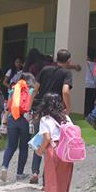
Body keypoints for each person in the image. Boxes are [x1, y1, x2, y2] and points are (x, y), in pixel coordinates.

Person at [28, 49, 76, 184]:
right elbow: (65, 91)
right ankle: (46, 180)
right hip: (55, 112)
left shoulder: (45, 70)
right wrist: (68, 107)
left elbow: (35, 89)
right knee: (51, 143)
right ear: (68, 61)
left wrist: (30, 107)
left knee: (38, 141)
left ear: (56, 58)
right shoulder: (66, 73)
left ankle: (34, 172)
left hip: (40, 109)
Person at [35, 93, 74, 192]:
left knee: (52, 185)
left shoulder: (45, 119)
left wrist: (39, 151)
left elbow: (46, 138)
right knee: (61, 182)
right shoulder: (66, 118)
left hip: (54, 150)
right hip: (67, 152)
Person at [1, 65, 36, 182]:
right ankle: (19, 174)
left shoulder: (13, 89)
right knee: (23, 147)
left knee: (11, 145)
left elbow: (8, 107)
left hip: (12, 118)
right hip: (25, 120)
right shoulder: (31, 90)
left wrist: (4, 123)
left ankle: (4, 167)